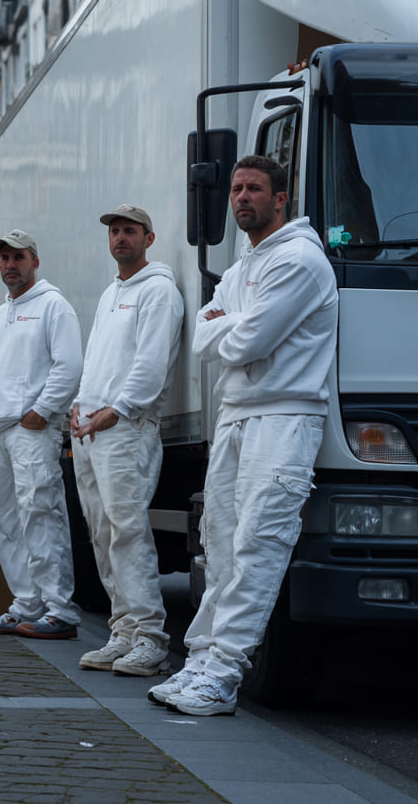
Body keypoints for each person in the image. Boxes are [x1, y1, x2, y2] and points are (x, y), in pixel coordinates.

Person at [149, 155, 338, 716]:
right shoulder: (239, 269)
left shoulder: (300, 260)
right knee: (222, 544)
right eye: (235, 189)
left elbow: (244, 341)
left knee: (259, 544)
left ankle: (224, 676)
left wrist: (226, 325)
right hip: (237, 414)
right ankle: (203, 659)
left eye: (254, 189)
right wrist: (229, 327)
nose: (241, 198)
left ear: (282, 199)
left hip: (284, 416)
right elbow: (209, 338)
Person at [71, 205, 183, 676]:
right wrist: (80, 404)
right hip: (91, 430)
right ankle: (123, 631)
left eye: (129, 231)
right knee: (101, 533)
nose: (120, 237)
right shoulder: (111, 293)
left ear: (148, 239)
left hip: (125, 429)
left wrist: (115, 410)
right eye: (115, 231)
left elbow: (151, 363)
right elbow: (97, 357)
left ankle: (151, 638)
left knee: (128, 531)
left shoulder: (159, 291)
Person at [0, 229, 84, 640]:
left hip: (31, 429)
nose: (9, 265)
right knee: (2, 518)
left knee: (41, 513)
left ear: (34, 261)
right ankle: (26, 603)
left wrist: (42, 411)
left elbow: (69, 366)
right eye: (3, 258)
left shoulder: (54, 306)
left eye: (17, 257)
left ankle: (60, 610)